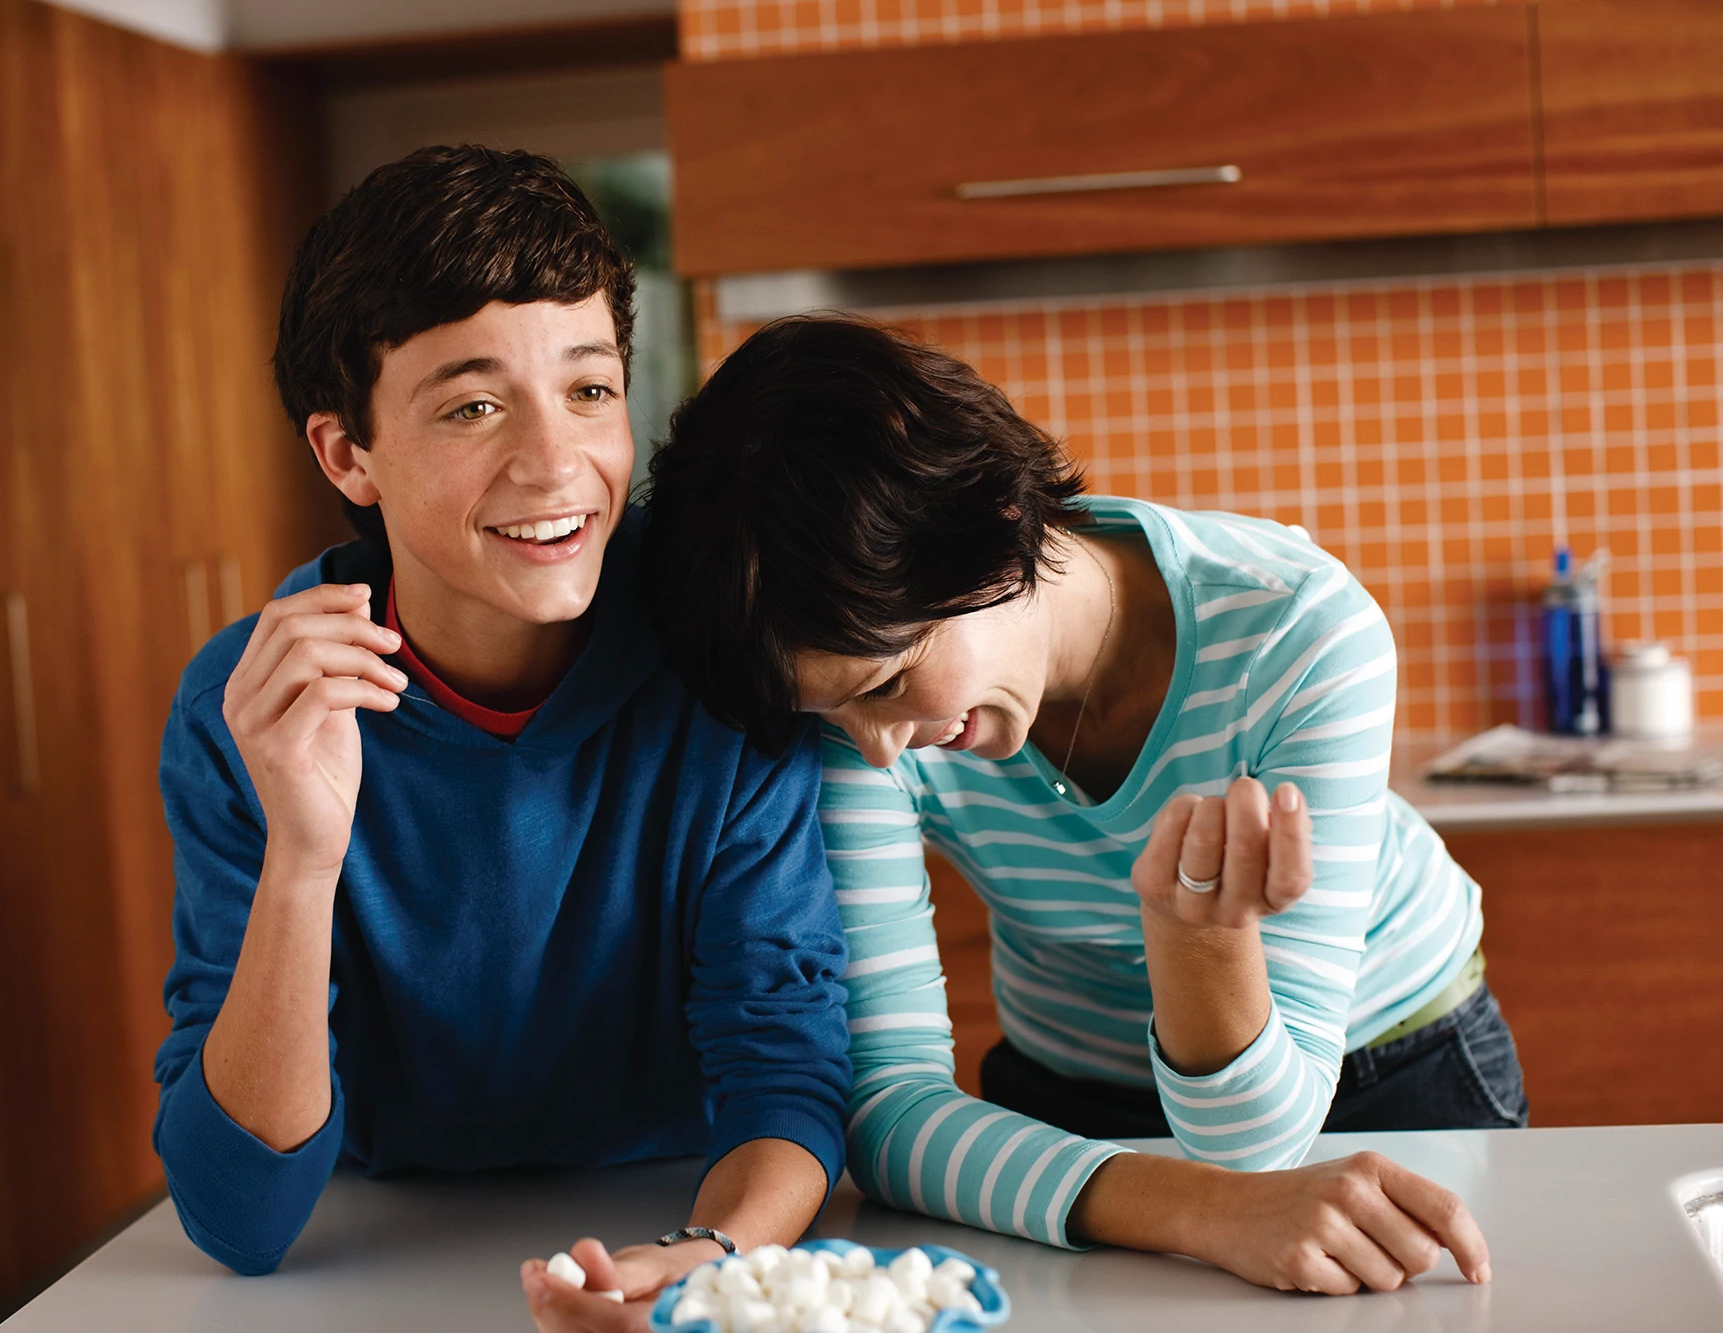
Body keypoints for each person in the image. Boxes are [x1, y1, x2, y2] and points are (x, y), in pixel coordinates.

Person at [642, 315, 1526, 1297]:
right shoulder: (854, 710)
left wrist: (1191, 939)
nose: (872, 745)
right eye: (832, 708)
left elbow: (1256, 1134)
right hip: (1063, 1117)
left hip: (1385, 1069)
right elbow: (887, 1107)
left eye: (889, 682)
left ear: (982, 528)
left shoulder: (1299, 632)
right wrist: (1194, 1206)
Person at [150, 148, 849, 1328]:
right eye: (473, 406)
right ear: (346, 453)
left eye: (588, 389)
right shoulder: (251, 705)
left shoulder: (723, 658)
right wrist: (304, 853)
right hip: (372, 1255)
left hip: (676, 1209)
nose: (555, 461)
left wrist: (703, 1258)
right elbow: (238, 1221)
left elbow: (784, 1073)